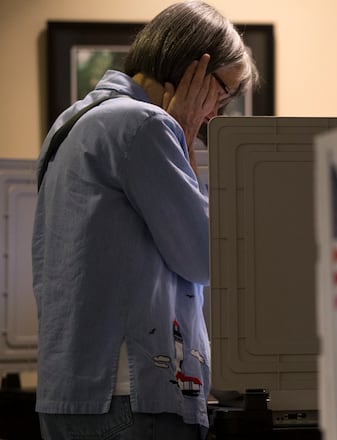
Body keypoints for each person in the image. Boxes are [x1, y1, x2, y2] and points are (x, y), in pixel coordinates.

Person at [32, 1, 259, 438]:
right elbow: (204, 256)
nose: (215, 112)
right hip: (132, 394)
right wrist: (186, 142)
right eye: (222, 94)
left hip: (70, 390)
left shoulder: (72, 122)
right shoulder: (145, 125)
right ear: (195, 67)